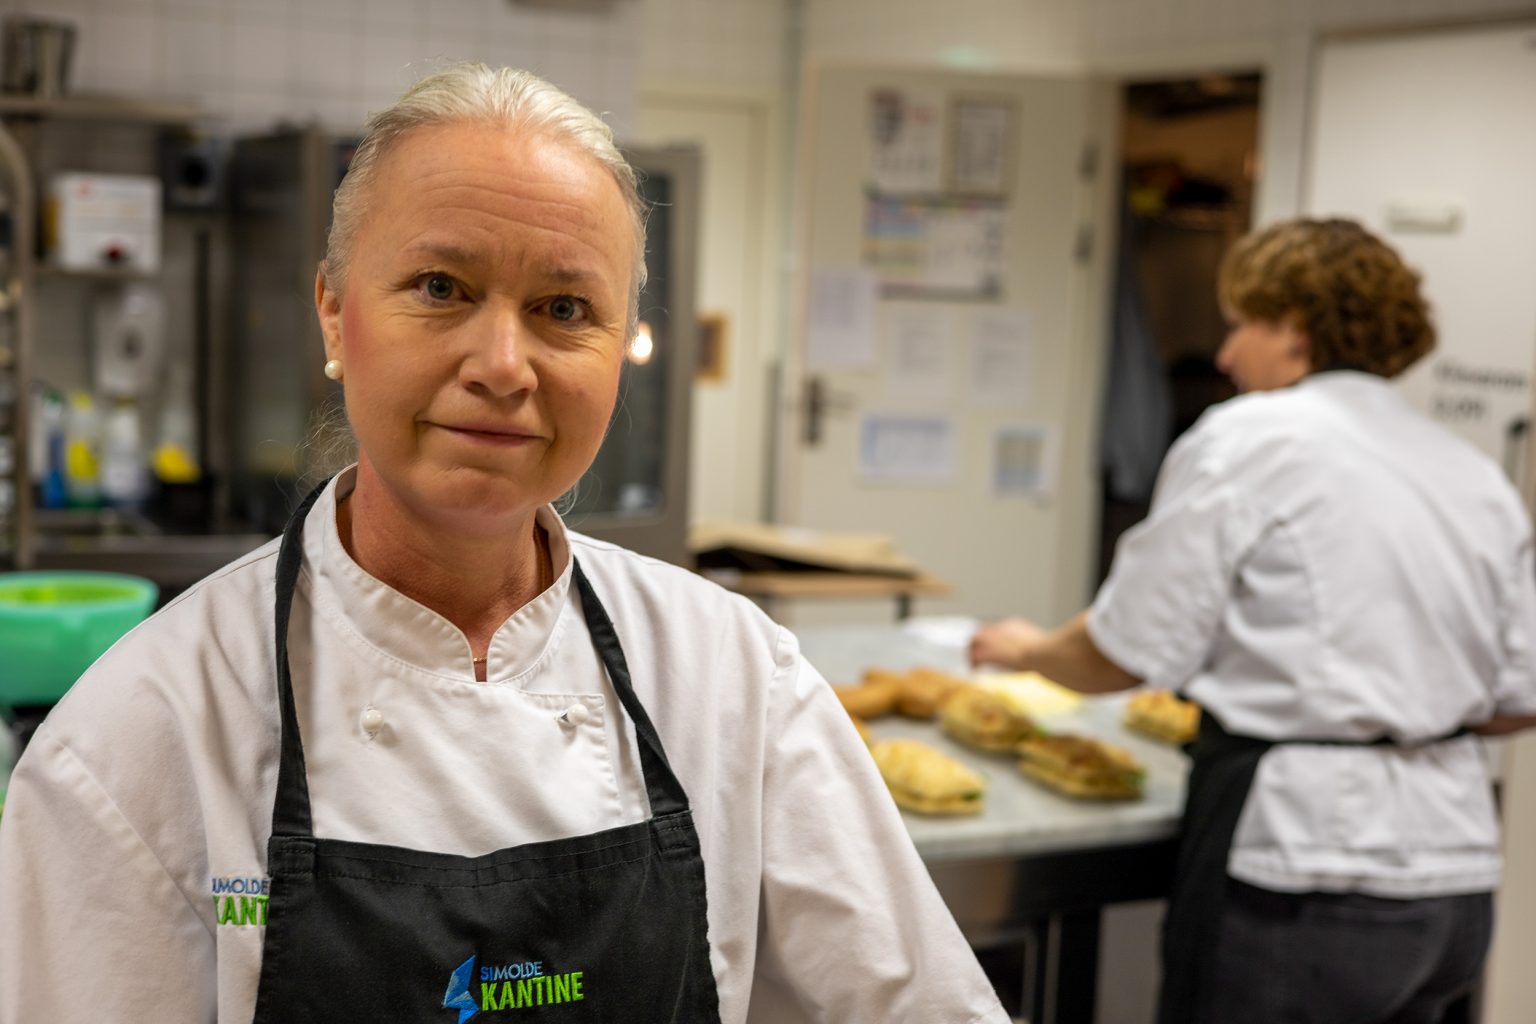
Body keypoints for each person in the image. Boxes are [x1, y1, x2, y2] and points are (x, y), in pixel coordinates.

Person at [0, 64, 1009, 1024]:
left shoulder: (735, 680)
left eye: (564, 310)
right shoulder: (142, 736)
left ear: (621, 350)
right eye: (441, 287)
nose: (503, 365)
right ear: (336, 314)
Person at [970, 217, 1536, 1024]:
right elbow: (1517, 699)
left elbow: (1122, 652)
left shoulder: (1251, 438)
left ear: (1297, 327)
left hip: (1307, 876)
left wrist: (1025, 648)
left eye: (1242, 325)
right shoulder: (1470, 470)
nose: (1226, 355)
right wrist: (1401, 703)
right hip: (1454, 882)